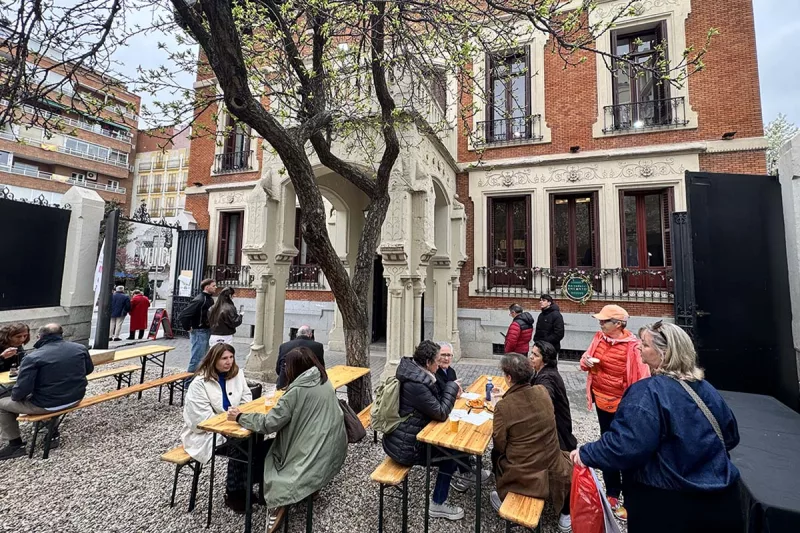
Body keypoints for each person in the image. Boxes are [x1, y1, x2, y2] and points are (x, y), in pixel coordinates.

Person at [572, 322, 744, 533]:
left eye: (644, 345)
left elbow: (625, 446)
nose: (638, 348)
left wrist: (585, 453)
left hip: (666, 503)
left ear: (664, 353)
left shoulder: (647, 393)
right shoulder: (707, 389)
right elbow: (731, 436)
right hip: (720, 498)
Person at [227, 346, 347, 529]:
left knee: (250, 455)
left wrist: (240, 417)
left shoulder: (295, 392)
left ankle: (255, 499)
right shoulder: (323, 380)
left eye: (287, 366)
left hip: (306, 453)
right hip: (328, 447)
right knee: (261, 448)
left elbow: (269, 424)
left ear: (295, 368)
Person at [382, 340, 469, 521]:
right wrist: (452, 386)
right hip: (406, 448)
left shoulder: (418, 374)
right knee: (451, 451)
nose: (440, 364)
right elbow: (441, 412)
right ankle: (438, 504)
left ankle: (467, 473)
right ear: (428, 362)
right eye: (438, 360)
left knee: (454, 442)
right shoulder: (417, 383)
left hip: (406, 437)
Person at [579, 304, 649, 520]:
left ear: (618, 324)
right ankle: (611, 491)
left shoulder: (633, 347)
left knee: (626, 450)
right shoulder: (599, 338)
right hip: (601, 401)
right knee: (606, 443)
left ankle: (630, 499)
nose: (601, 324)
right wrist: (586, 362)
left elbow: (641, 380)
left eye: (605, 321)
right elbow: (584, 360)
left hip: (623, 406)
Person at [491, 353, 573, 533]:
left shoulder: (504, 407)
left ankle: (505, 495)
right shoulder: (542, 392)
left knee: (495, 455)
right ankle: (565, 513)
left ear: (509, 377)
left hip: (525, 473)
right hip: (554, 463)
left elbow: (499, 443)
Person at [182, 343, 262, 514]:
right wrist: (232, 420)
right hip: (208, 433)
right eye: (224, 358)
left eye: (231, 358)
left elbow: (247, 397)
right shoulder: (199, 383)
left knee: (257, 438)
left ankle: (248, 486)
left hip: (236, 423)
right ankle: (234, 493)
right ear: (214, 360)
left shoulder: (236, 374)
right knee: (240, 445)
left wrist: (240, 412)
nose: (229, 362)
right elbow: (201, 419)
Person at [0, 323, 94, 459]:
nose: (22, 339)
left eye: (25, 336)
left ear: (39, 337)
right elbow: (88, 370)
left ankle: (15, 445)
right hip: (75, 398)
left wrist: (14, 394)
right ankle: (52, 434)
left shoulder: (33, 357)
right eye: (19, 336)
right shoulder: (80, 348)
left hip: (48, 404)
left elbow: (19, 393)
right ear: (61, 334)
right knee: (49, 391)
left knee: (2, 403)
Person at [531, 340, 577, 452]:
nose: (531, 357)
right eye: (531, 353)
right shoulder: (541, 372)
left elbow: (545, 396)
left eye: (535, 355)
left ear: (545, 360)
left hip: (557, 431)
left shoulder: (548, 377)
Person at [179, 278, 217, 374]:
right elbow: (183, 315)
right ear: (207, 287)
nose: (215, 287)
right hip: (199, 331)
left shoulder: (209, 299)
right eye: (213, 286)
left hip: (206, 330)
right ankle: (188, 383)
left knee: (204, 357)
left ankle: (198, 379)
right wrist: (188, 328)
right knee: (196, 358)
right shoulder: (200, 300)